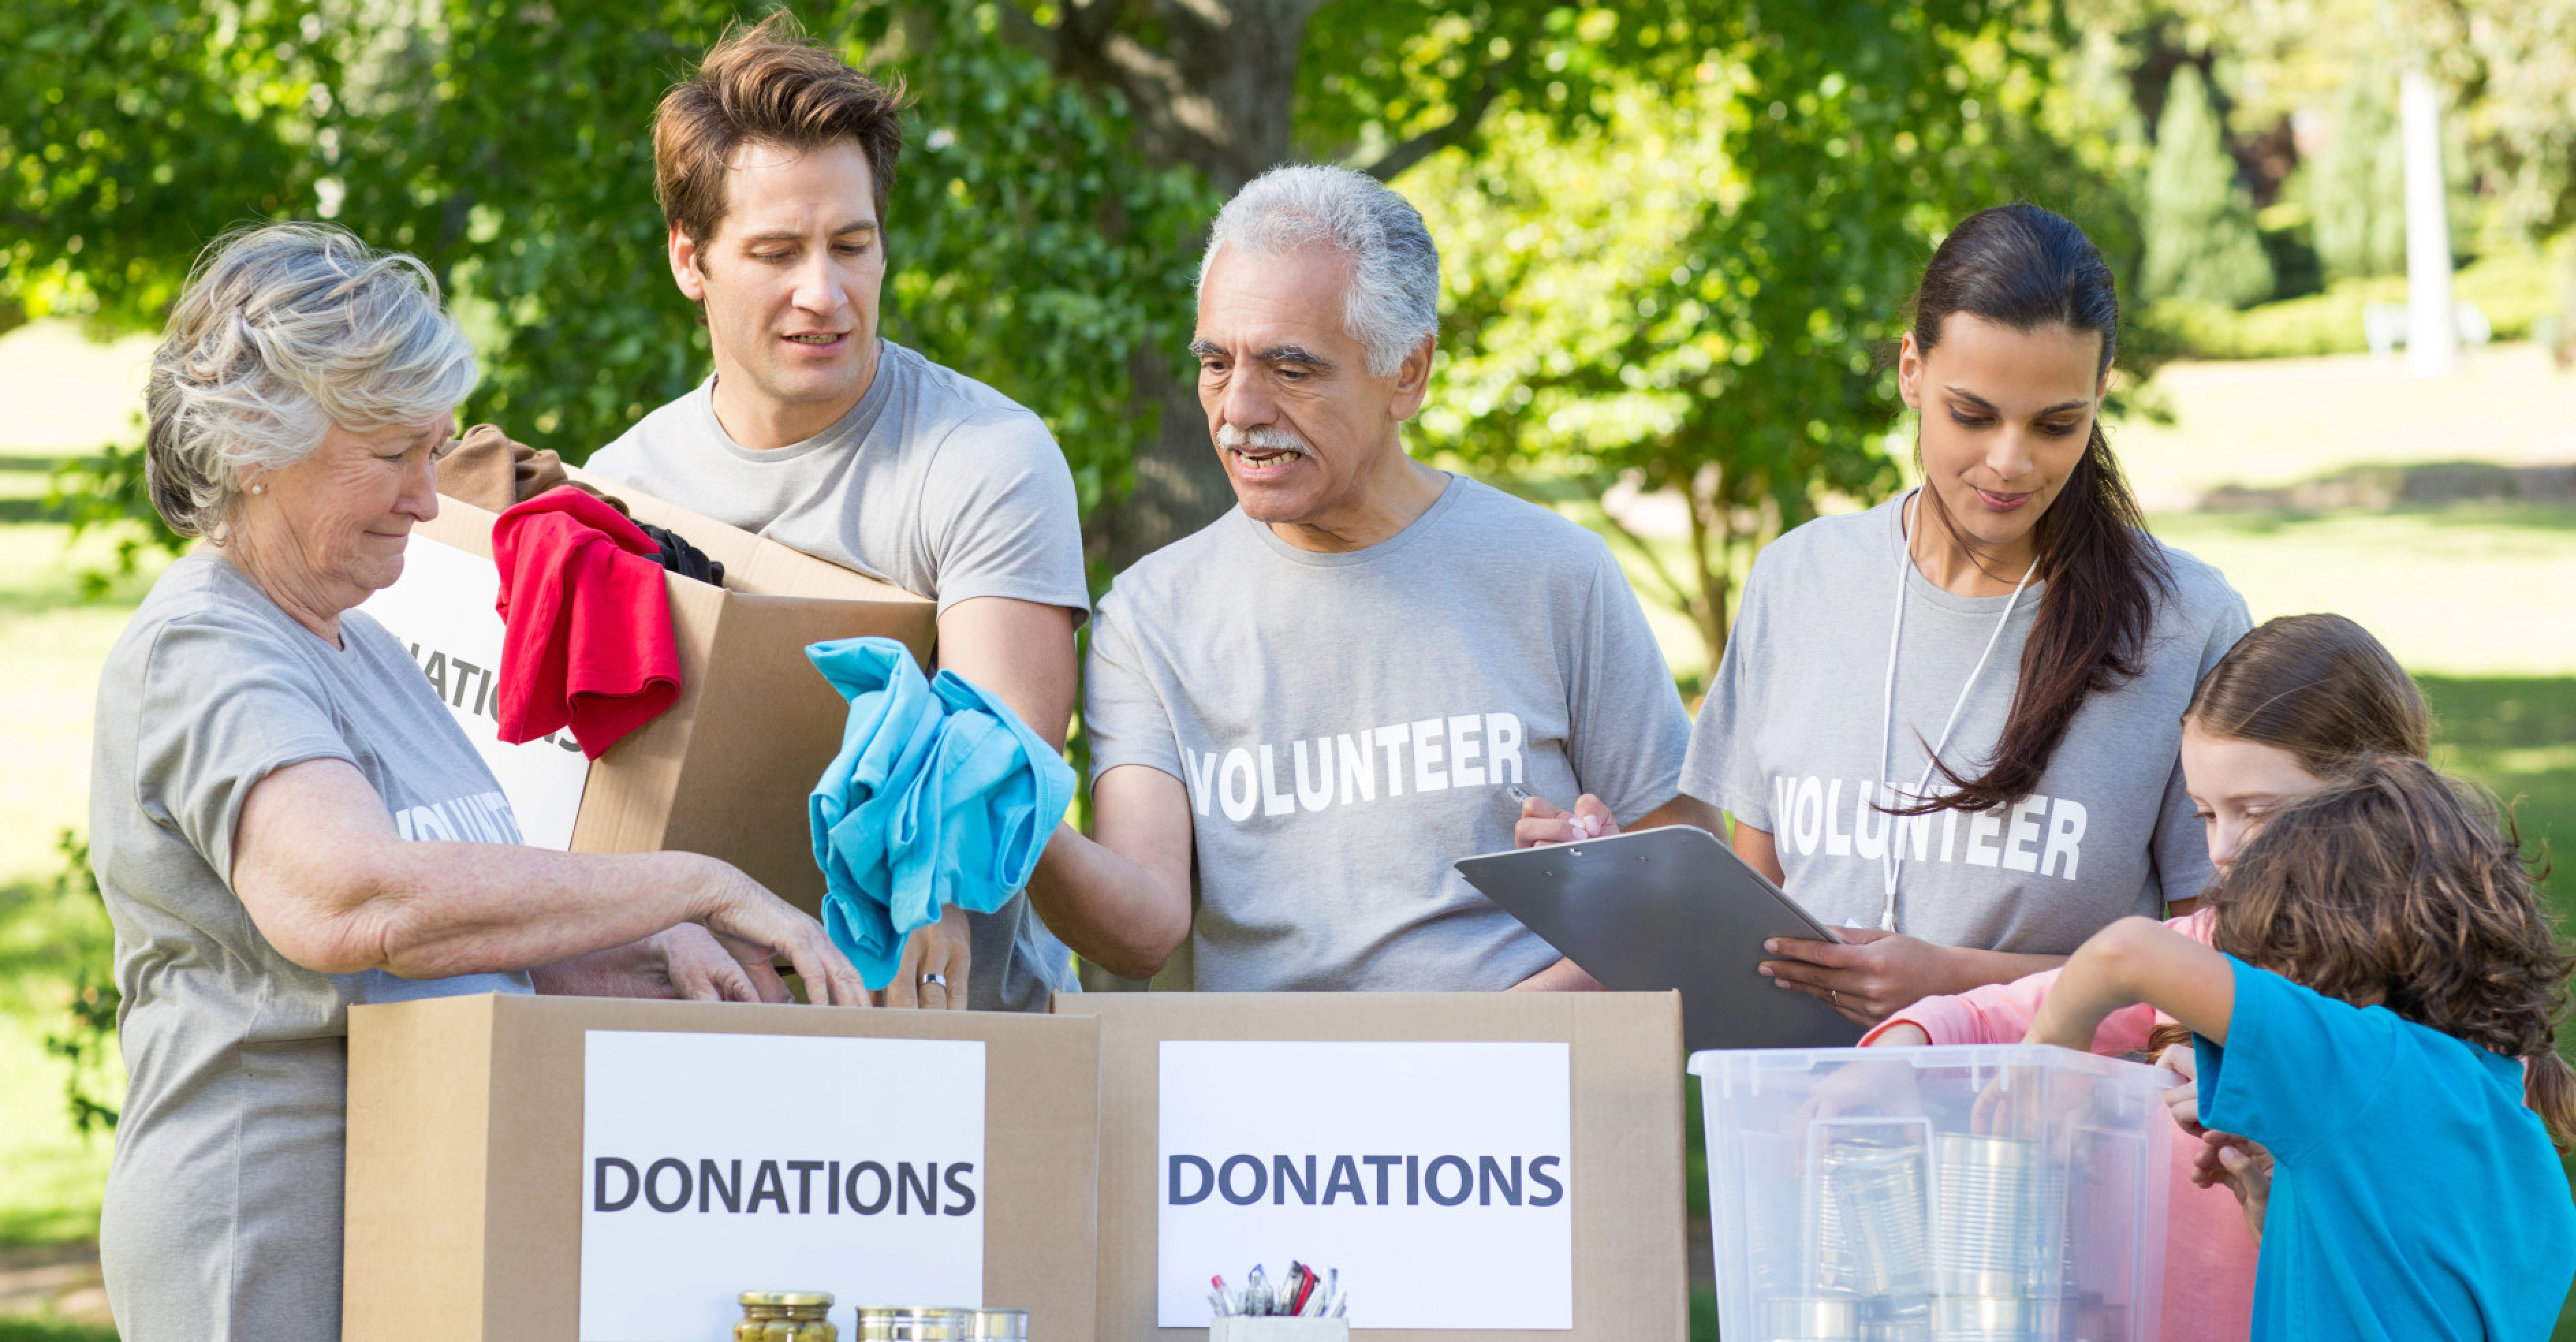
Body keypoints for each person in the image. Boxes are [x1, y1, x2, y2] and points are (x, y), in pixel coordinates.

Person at [94, 223, 869, 1342]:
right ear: (256, 444)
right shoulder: (208, 647)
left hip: (418, 1223)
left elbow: (462, 929)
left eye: (435, 449)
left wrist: (660, 958)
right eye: (391, 452)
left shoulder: (370, 645)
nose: (426, 497)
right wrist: (686, 883)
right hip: (264, 1240)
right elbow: (353, 899)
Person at [1024, 164, 1713, 990]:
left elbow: (1685, 868)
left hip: (1518, 1084)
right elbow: (1139, 933)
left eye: (1291, 367)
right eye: (1216, 362)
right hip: (1266, 1103)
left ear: (1408, 373)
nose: (1238, 408)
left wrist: (1607, 889)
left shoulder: (1554, 573)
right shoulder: (1150, 616)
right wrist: (1012, 816)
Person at [584, 14, 1085, 1012]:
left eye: (851, 245)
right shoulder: (619, 491)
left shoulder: (987, 458)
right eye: (777, 252)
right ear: (691, 260)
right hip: (700, 1035)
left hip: (954, 1036)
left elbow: (993, 773)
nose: (826, 293)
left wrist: (931, 867)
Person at [1667, 202, 2250, 1022]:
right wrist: (1601, 870)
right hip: (1810, 1123)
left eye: (2057, 424)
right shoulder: (1796, 579)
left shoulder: (2187, 622)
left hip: (2045, 1127)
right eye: (1971, 415)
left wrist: (1954, 983)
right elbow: (1755, 904)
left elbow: (2222, 961)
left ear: (2100, 393)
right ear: (1911, 370)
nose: (2009, 463)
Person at [1863, 612, 2430, 1342]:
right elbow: (1992, 1015)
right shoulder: (2207, 942)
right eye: (2205, 813)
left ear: (2375, 793)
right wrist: (1902, 1043)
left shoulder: (2441, 1001)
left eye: (2259, 812)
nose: (2224, 850)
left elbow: (2405, 1227)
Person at [2026, 755, 2576, 1341]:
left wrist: (2043, 1064)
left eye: (2273, 965)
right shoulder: (2513, 1140)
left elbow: (2127, 952)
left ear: (2335, 960)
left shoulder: (2366, 1063)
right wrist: (2284, 1222)